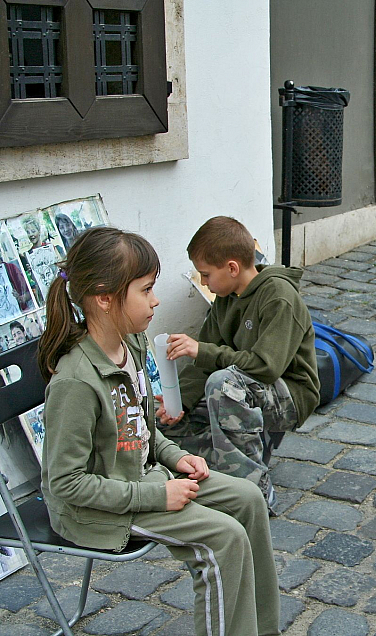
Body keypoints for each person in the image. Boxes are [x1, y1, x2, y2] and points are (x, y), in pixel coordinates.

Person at [37, 227, 280, 636]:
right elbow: (66, 484)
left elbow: (143, 428)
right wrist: (157, 495)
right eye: (146, 290)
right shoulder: (76, 383)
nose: (156, 300)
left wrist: (174, 456)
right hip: (100, 510)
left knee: (248, 497)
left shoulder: (131, 344)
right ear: (105, 297)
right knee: (224, 538)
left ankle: (262, 629)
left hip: (144, 478)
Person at [160, 216, 319, 514]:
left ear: (232, 268)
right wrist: (175, 404)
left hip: (290, 395)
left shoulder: (279, 297)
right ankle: (225, 466)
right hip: (242, 386)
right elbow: (200, 366)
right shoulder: (226, 296)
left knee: (223, 384)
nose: (204, 282)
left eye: (206, 274)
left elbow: (265, 366)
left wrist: (202, 351)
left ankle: (253, 492)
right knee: (162, 427)